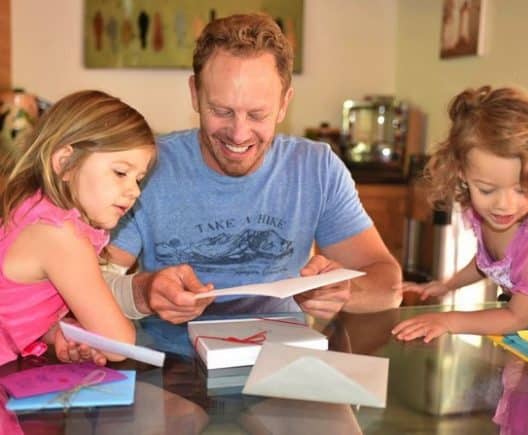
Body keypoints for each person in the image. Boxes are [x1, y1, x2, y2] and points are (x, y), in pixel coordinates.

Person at [106, 13, 402, 354]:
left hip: (284, 365)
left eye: (257, 115)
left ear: (284, 104)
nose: (239, 134)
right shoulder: (149, 167)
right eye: (222, 111)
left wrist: (341, 291)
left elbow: (388, 285)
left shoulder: (316, 168)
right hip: (173, 370)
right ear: (194, 94)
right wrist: (145, 292)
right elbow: (84, 284)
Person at [392, 85, 528, 343]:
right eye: (487, 189)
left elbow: (517, 317)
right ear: (462, 173)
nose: (504, 205)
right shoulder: (481, 211)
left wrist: (448, 320)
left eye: (522, 189)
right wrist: (447, 284)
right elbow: (489, 260)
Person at [0, 90, 156, 366]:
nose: (134, 191)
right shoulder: (61, 237)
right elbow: (119, 345)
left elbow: (11, 308)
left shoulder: (33, 212)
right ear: (65, 164)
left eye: (139, 179)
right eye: (120, 172)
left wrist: (56, 330)